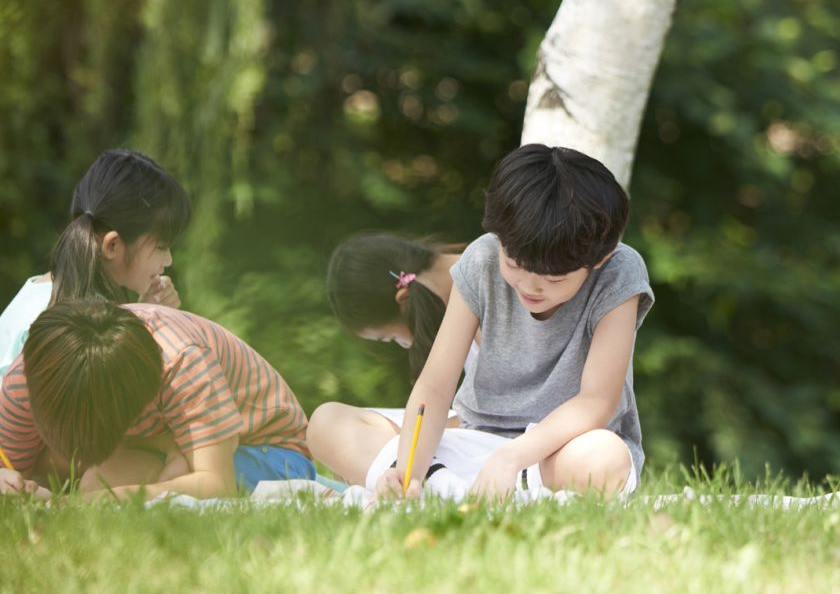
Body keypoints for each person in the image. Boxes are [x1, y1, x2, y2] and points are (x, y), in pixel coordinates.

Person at [375, 144, 654, 500]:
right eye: (515, 265)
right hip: (477, 439)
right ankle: (442, 484)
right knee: (330, 424)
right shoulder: (482, 258)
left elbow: (595, 403)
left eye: (554, 279)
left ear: (601, 257)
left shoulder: (620, 272)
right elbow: (435, 387)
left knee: (603, 458)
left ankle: (457, 486)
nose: (530, 286)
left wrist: (509, 460)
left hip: (561, 450)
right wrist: (406, 472)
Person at [0, 299, 315, 500]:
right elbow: (13, 469)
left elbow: (217, 484)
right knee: (100, 480)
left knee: (100, 486)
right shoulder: (25, 380)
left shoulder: (180, 362)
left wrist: (96, 501)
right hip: (160, 447)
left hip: (270, 453)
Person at [0, 149, 189, 377]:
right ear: (112, 246)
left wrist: (143, 315)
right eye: (161, 246)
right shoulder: (57, 327)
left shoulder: (50, 299)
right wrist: (148, 327)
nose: (168, 259)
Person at [307, 232, 470, 486]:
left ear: (403, 300)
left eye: (391, 338)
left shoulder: (478, 281)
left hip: (503, 436)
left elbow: (494, 417)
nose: (405, 345)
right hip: (472, 428)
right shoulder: (458, 283)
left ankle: (417, 483)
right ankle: (403, 475)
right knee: (327, 422)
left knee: (350, 445)